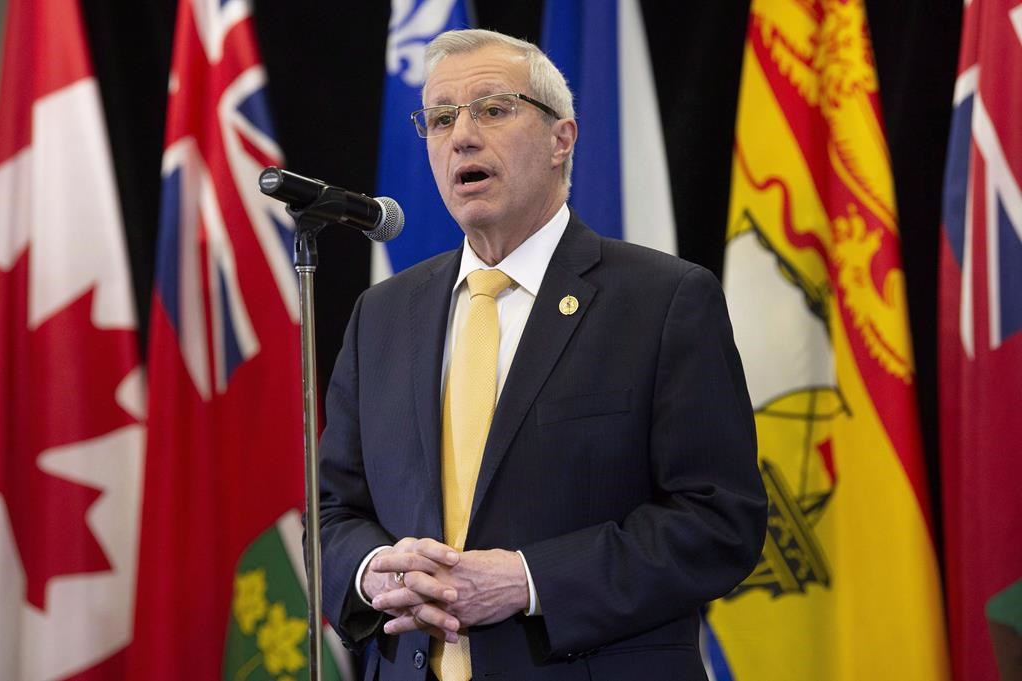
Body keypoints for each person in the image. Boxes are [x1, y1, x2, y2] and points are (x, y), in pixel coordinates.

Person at [317, 28, 767, 681]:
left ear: (563, 139)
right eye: (441, 118)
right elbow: (334, 510)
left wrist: (528, 580)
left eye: (493, 109)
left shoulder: (663, 301)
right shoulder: (382, 315)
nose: (461, 135)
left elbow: (720, 519)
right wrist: (371, 570)